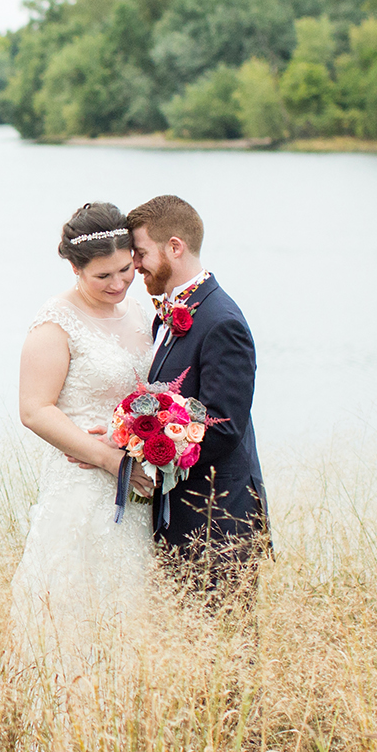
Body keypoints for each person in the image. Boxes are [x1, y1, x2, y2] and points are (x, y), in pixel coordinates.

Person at [6, 201, 159, 752]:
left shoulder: (145, 317)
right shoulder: (53, 327)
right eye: (105, 276)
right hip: (83, 492)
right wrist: (104, 456)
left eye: (127, 269)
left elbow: (151, 393)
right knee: (73, 631)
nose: (121, 284)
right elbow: (36, 410)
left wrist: (147, 437)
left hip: (137, 498)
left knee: (128, 629)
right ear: (75, 268)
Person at [125, 193, 269, 605]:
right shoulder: (168, 314)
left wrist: (142, 452)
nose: (135, 266)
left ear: (175, 247)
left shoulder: (221, 322)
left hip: (216, 519)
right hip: (180, 513)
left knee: (225, 651)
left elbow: (223, 427)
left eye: (140, 253)